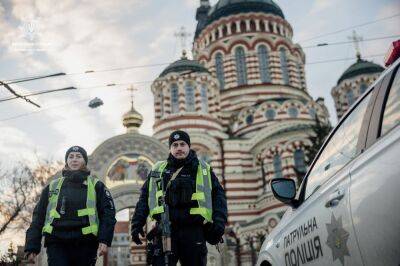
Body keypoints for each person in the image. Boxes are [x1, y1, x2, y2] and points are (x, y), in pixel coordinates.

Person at [131, 130, 227, 266]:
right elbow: (145, 197)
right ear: (170, 148)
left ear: (188, 146)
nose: (179, 148)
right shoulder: (159, 169)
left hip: (194, 231)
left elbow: (219, 197)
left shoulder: (203, 169)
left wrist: (219, 223)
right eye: (175, 145)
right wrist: (137, 223)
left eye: (182, 144)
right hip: (165, 230)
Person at [24, 146, 117, 266]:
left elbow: (108, 213)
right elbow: (38, 216)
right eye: (71, 157)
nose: (74, 159)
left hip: (86, 244)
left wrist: (104, 239)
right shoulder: (52, 187)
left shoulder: (96, 185)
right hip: (57, 243)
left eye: (78, 157)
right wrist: (32, 246)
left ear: (85, 161)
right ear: (67, 161)